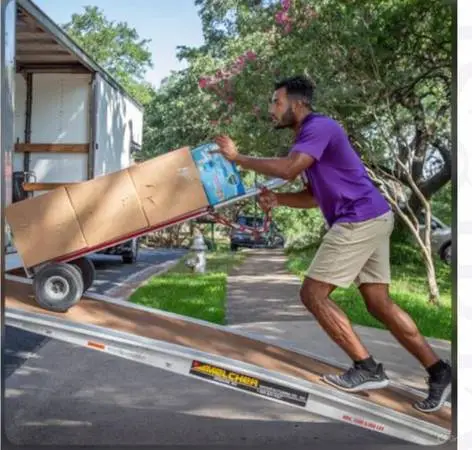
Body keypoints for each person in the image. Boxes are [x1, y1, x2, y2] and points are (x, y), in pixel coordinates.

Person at [213, 75, 451, 413]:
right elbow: (313, 196)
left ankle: (367, 368)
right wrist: (279, 200)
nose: (271, 109)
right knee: (379, 303)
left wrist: (237, 157)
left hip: (358, 218)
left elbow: (289, 169)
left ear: (297, 104)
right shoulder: (307, 138)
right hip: (372, 216)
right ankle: (440, 371)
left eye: (276, 102)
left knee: (312, 294)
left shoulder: (319, 127)